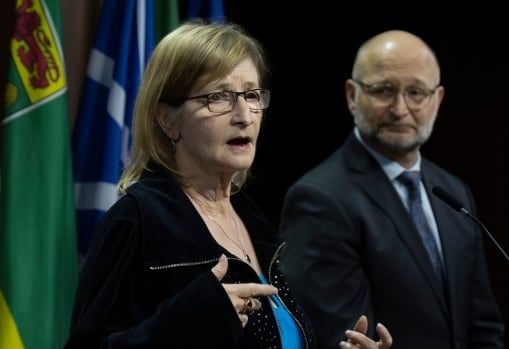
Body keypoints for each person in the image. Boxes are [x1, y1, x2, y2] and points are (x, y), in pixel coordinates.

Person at [65, 22, 392, 349]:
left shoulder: (252, 221)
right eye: (218, 97)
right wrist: (183, 323)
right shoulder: (137, 220)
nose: (244, 116)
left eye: (251, 95)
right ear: (168, 119)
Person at [279, 30, 505, 349]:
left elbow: (484, 327)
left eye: (416, 93)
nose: (400, 109)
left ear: (437, 99)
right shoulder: (319, 199)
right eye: (384, 90)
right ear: (351, 96)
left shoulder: (453, 192)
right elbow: (343, 336)